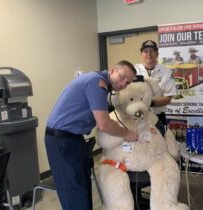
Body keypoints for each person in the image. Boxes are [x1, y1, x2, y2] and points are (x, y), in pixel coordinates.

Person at [45, 60, 138, 210]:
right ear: (113, 70)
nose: (122, 84)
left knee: (83, 189)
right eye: (122, 77)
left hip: (75, 139)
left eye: (127, 83)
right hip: (61, 140)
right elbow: (104, 124)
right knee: (74, 194)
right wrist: (127, 133)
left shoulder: (101, 85)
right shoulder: (97, 82)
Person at [135, 40, 177, 126]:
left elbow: (167, 99)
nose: (149, 54)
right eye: (145, 51)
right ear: (141, 54)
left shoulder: (166, 72)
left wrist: (148, 102)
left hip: (158, 118)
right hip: (137, 117)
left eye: (152, 51)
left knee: (161, 139)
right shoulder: (133, 71)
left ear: (157, 54)